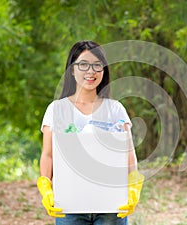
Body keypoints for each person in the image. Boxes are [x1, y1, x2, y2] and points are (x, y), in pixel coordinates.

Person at [37, 40, 144, 225]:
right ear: (72, 69)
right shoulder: (57, 109)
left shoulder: (115, 109)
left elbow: (129, 155)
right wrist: (46, 186)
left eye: (97, 65)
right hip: (70, 206)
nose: (91, 71)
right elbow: (48, 155)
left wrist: (134, 186)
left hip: (111, 206)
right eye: (83, 64)